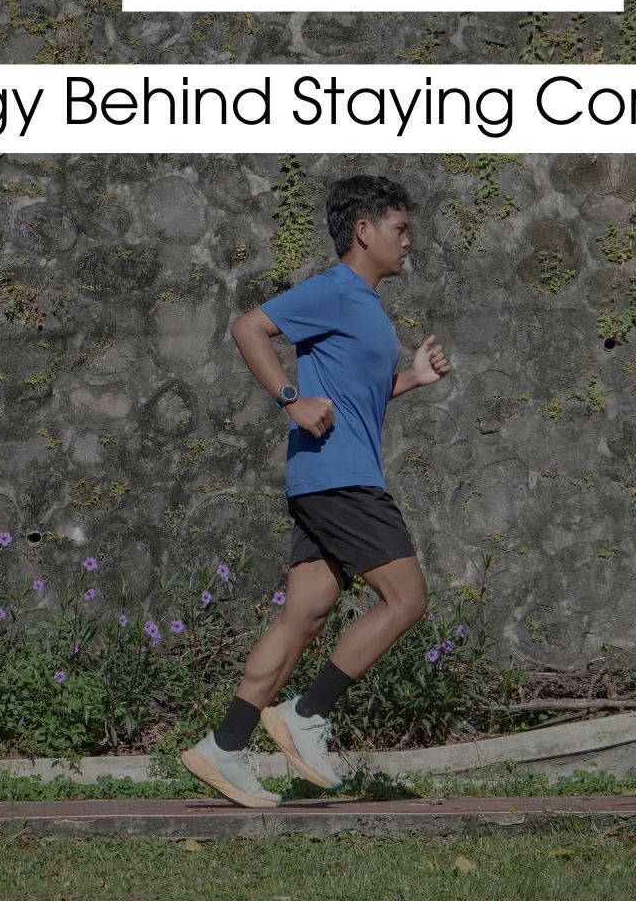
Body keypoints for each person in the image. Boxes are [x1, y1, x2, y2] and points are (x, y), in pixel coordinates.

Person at [180, 175, 453, 808]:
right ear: (364, 230)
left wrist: (407, 379)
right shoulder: (334, 291)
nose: (408, 241)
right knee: (406, 599)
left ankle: (224, 745)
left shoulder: (365, 305)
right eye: (400, 228)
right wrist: (291, 399)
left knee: (302, 615)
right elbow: (247, 327)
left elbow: (357, 396)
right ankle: (307, 715)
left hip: (328, 476)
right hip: (341, 479)